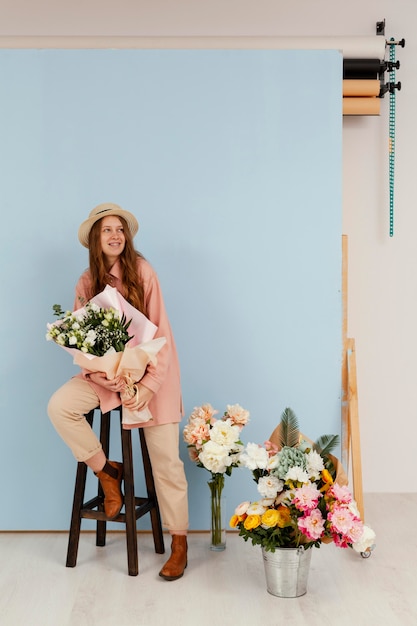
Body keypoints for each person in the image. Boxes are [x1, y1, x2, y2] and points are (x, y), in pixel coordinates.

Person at [48, 202, 189, 581]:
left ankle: (179, 543)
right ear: (95, 238)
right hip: (105, 382)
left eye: (120, 230)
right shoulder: (85, 282)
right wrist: (104, 376)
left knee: (167, 465)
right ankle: (108, 472)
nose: (114, 235)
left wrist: (146, 386)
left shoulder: (143, 272)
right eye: (107, 230)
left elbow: (161, 336)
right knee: (60, 406)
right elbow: (81, 343)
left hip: (151, 384)